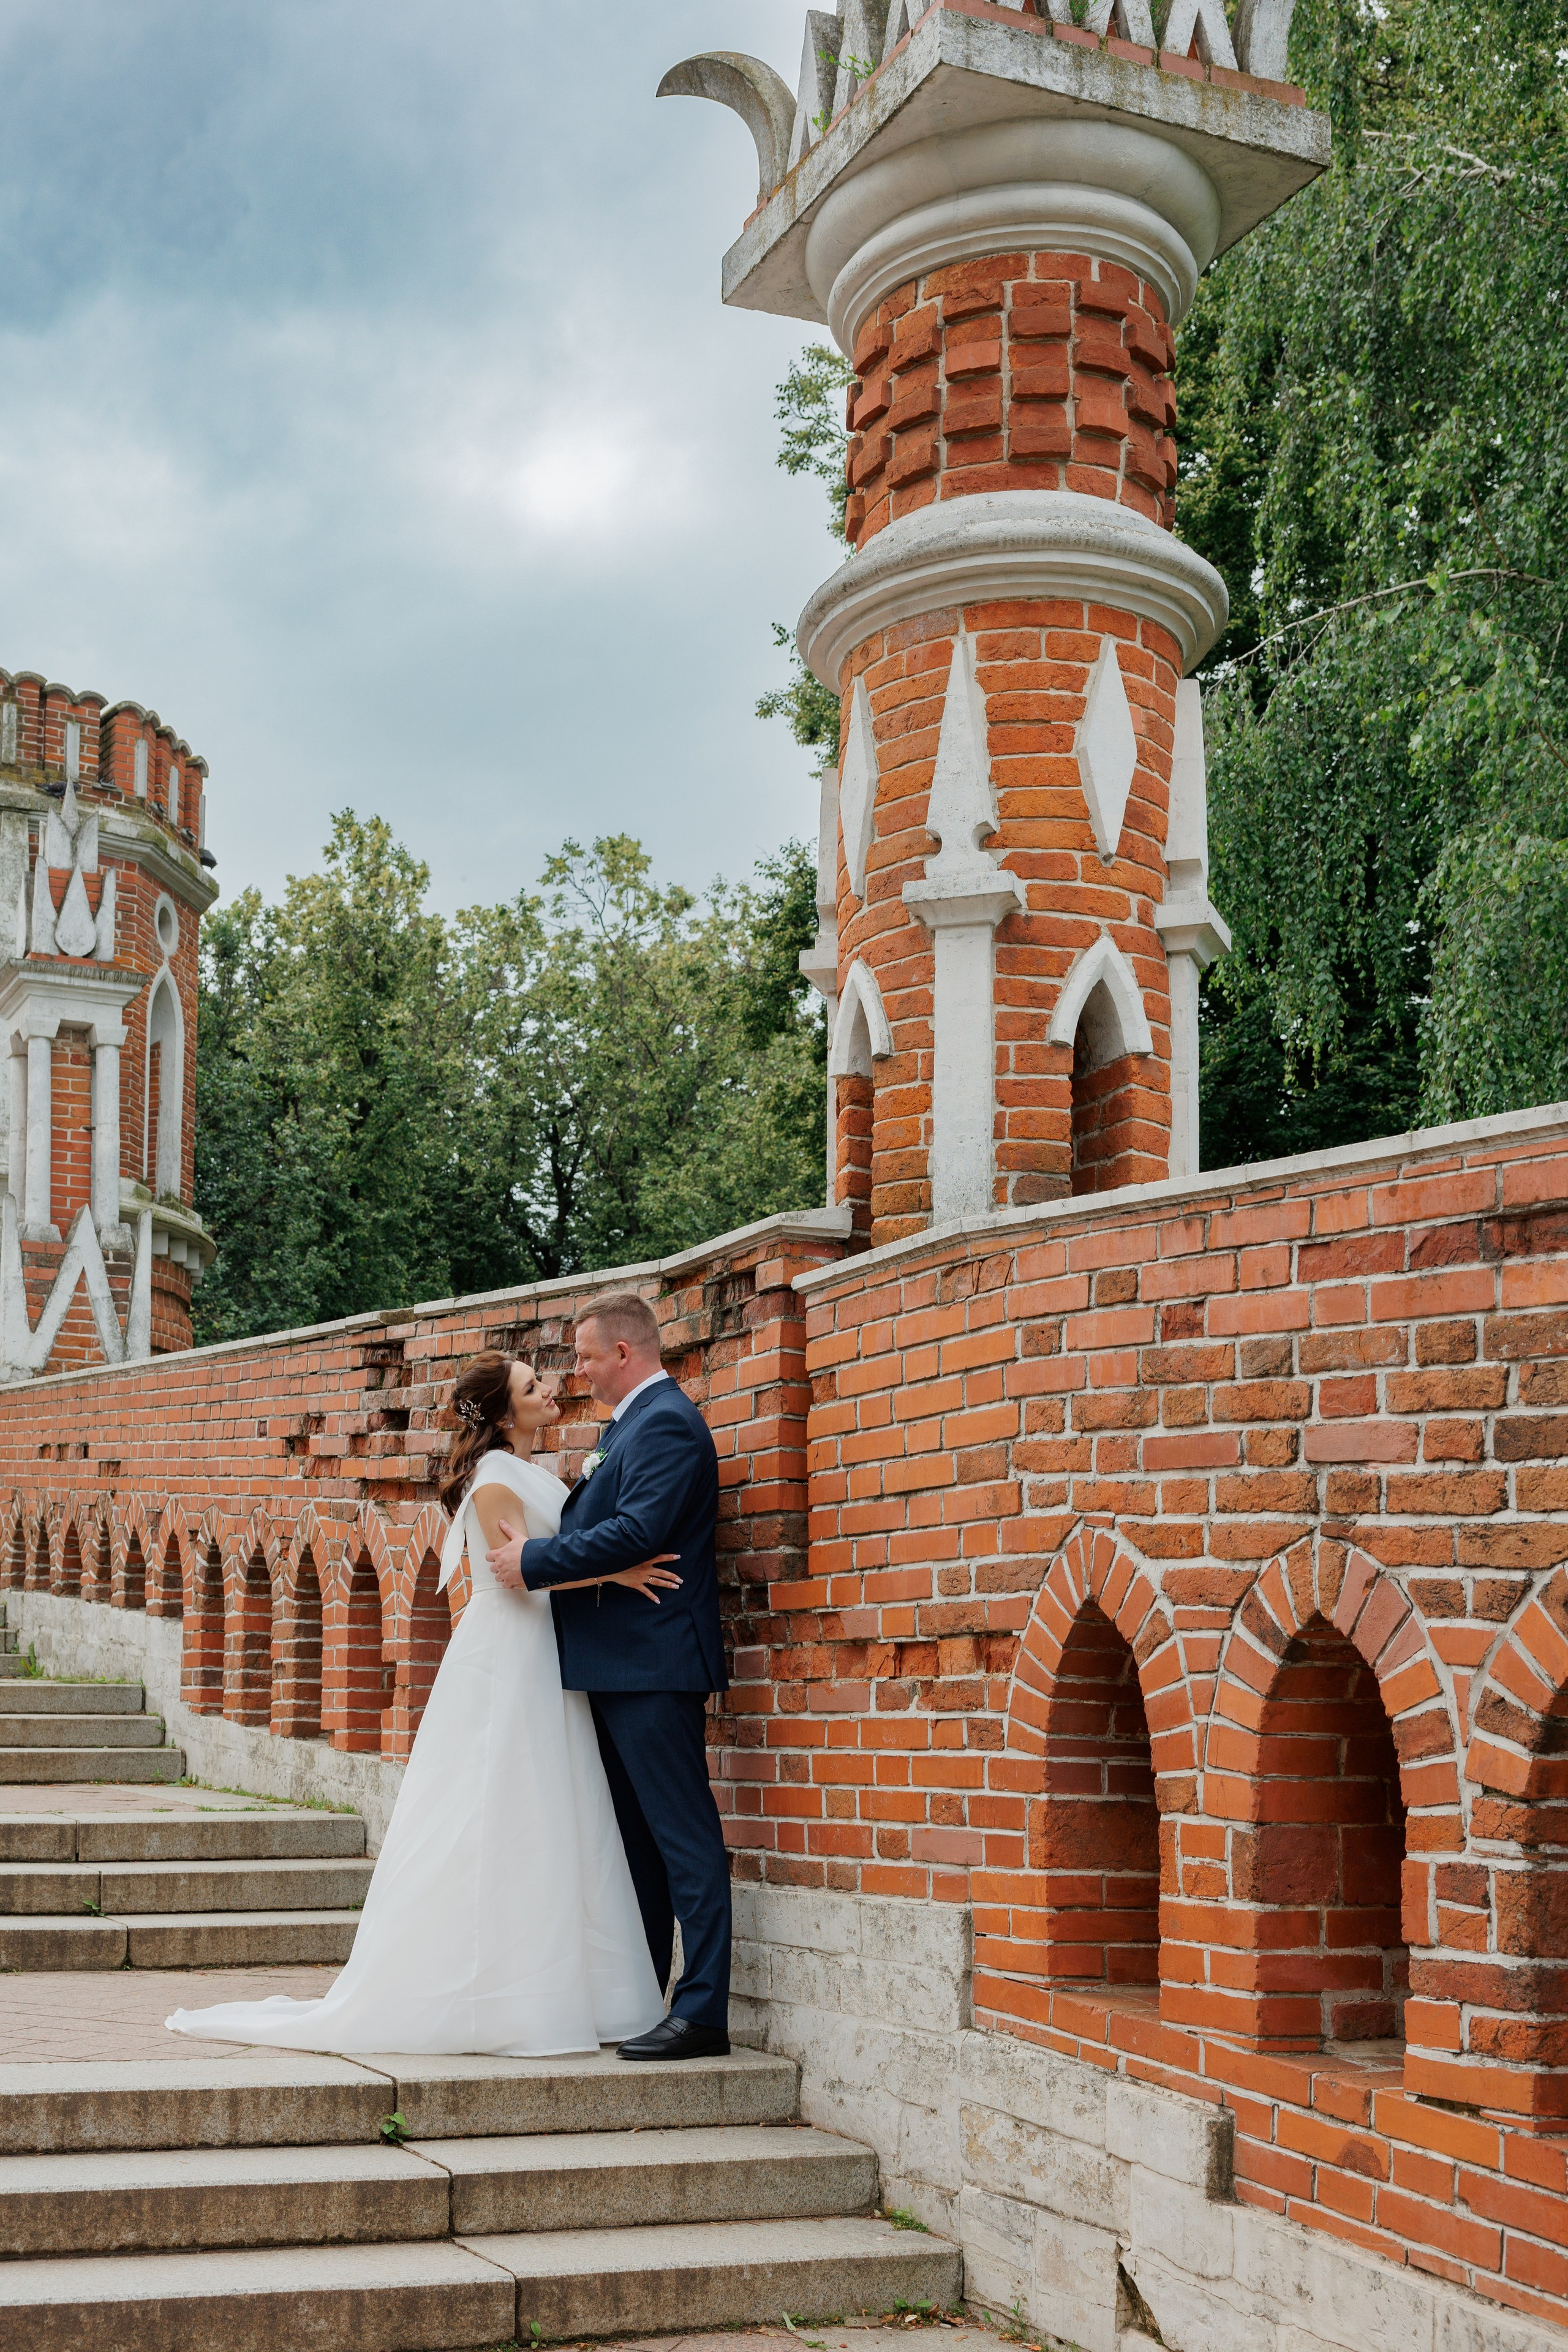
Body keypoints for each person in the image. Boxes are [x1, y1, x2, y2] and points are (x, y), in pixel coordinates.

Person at [165, 1352, 673, 2056]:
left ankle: (560, 1989)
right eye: (532, 1387)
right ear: (502, 1415)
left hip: (544, 1658)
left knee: (557, 1815)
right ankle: (498, 1995)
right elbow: (520, 1571)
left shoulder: (534, 1471)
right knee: (506, 1814)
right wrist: (622, 1570)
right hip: (509, 1660)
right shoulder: (496, 1479)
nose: (549, 1389)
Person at [486, 1289, 732, 2062]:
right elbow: (613, 1532)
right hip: (623, 1661)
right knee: (640, 1847)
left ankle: (702, 2015)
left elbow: (638, 1531)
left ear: (625, 1352)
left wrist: (533, 1562)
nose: (580, 1372)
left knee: (683, 1841)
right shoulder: (630, 1426)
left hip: (654, 1663)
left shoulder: (664, 1423)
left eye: (588, 1357)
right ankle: (645, 1997)